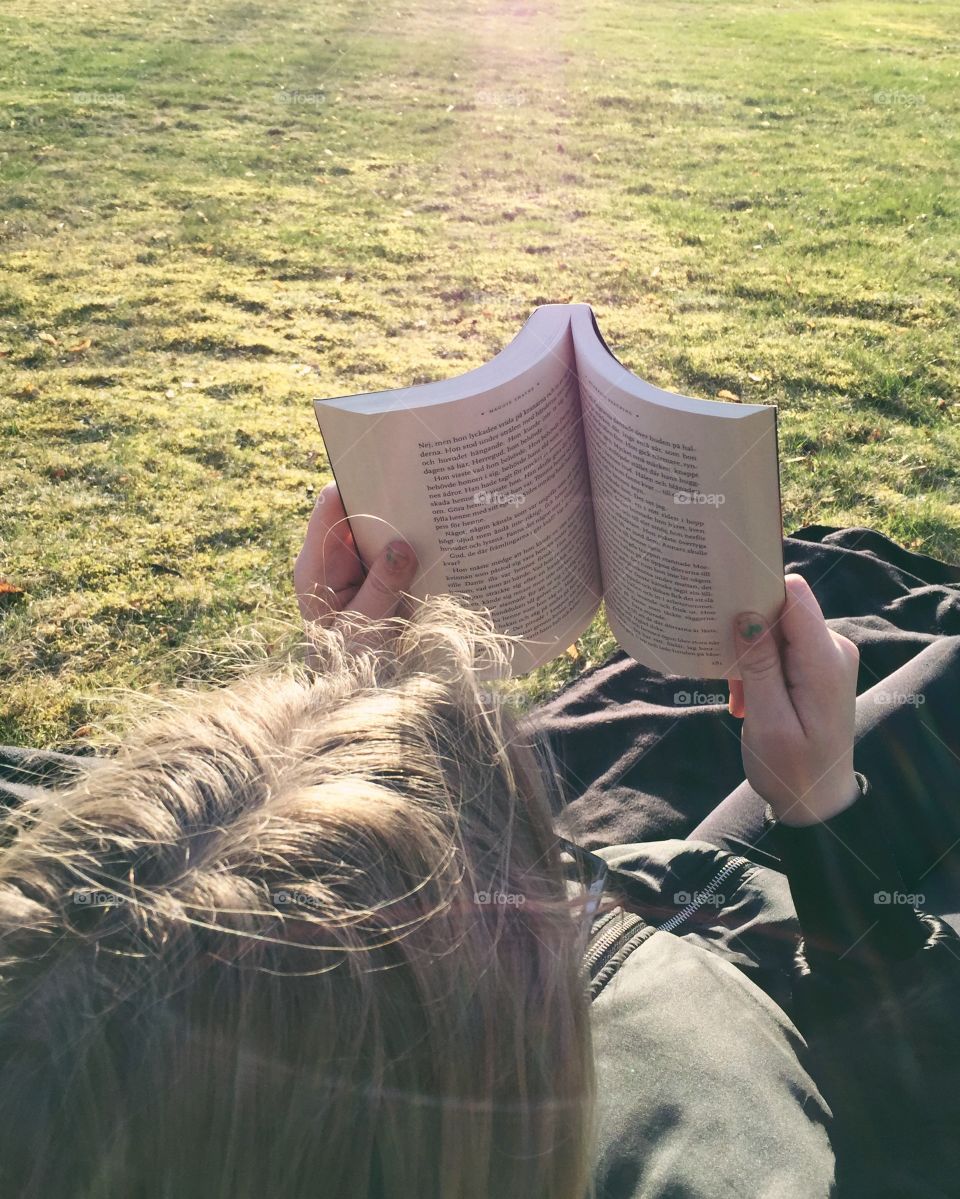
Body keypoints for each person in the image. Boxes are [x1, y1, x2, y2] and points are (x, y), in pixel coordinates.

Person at [0, 482, 959, 1198]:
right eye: (486, 850)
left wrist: (343, 715)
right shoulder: (705, 1130)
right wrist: (825, 809)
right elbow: (913, 1113)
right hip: (804, 945)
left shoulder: (62, 978)